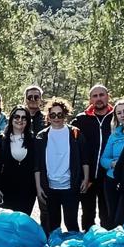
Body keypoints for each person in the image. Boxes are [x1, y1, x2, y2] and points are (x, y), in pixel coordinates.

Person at [33, 97, 86, 234]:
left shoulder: (75, 133)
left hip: (70, 186)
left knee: (71, 222)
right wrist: (39, 187)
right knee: (52, 224)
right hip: (50, 187)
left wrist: (86, 178)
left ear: (65, 115)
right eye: (53, 115)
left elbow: (84, 159)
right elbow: (37, 165)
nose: (56, 118)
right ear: (48, 117)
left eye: (60, 114)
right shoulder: (41, 136)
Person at [71, 85, 116, 229]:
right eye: (94, 96)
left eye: (101, 95)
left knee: (107, 213)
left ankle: (106, 244)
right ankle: (88, 242)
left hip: (109, 175)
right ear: (90, 99)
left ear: (108, 96)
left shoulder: (117, 117)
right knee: (87, 212)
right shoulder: (81, 119)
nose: (98, 99)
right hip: (87, 176)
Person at [0, 105, 38, 214]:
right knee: (7, 223)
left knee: (22, 223)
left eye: (24, 117)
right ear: (11, 119)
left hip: (28, 191)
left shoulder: (34, 140)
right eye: (16, 117)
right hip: (6, 190)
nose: (20, 120)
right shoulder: (2, 140)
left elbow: (37, 166)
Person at [99, 99, 124, 227]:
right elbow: (103, 160)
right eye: (119, 113)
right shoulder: (114, 135)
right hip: (112, 179)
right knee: (113, 216)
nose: (122, 115)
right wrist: (114, 163)